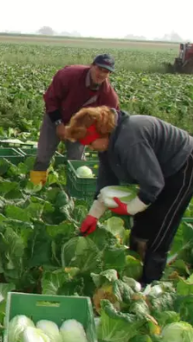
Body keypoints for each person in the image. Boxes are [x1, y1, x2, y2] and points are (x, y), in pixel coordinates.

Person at [69, 106, 193, 287]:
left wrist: (129, 208)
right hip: (160, 171)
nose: (89, 147)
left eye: (90, 143)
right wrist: (92, 216)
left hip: (183, 165)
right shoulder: (109, 144)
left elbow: (152, 186)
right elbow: (107, 183)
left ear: (101, 134)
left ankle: (150, 284)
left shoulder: (129, 141)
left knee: (162, 226)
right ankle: (136, 268)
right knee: (142, 222)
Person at [29, 54, 120, 185]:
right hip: (55, 117)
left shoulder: (108, 95)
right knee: (43, 157)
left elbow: (111, 119)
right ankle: (36, 188)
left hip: (81, 126)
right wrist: (58, 123)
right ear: (92, 65)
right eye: (99, 69)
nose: (101, 74)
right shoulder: (68, 75)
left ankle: (74, 193)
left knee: (77, 161)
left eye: (106, 72)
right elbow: (51, 99)